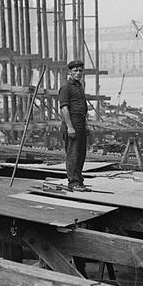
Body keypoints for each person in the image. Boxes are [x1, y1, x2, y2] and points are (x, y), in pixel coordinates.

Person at [58, 60, 89, 191]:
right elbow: (64, 109)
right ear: (69, 72)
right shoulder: (66, 87)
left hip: (81, 122)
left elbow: (82, 108)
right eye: (75, 71)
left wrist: (86, 125)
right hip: (72, 123)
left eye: (80, 70)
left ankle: (78, 180)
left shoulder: (79, 86)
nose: (78, 73)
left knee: (81, 153)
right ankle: (73, 182)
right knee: (73, 154)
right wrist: (70, 127)